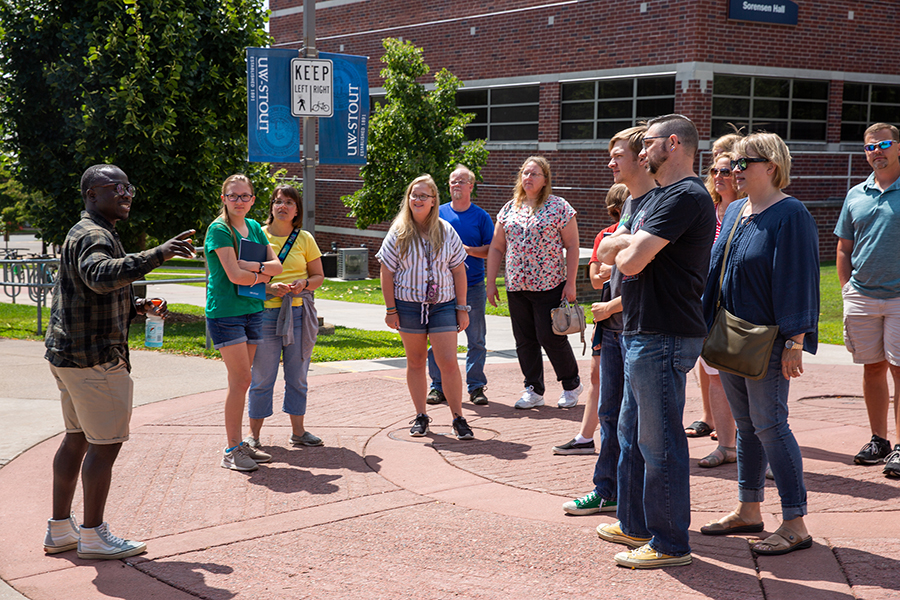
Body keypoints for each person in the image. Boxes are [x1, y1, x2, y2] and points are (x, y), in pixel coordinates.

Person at [43, 164, 195, 559]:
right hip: (95, 359)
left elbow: (91, 292)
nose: (127, 193)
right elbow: (97, 275)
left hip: (68, 355)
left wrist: (136, 306)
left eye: (130, 186)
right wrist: (158, 253)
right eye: (117, 187)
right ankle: (93, 535)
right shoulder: (94, 233)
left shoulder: (92, 230)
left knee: (77, 439)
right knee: (104, 446)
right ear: (92, 194)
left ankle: (60, 530)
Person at [595, 114, 715, 568]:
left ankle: (669, 543)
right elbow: (611, 248)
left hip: (664, 333)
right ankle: (635, 524)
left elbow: (627, 262)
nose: (641, 152)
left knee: (660, 441)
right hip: (643, 330)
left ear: (672, 144)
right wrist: (621, 244)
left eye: (646, 144)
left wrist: (622, 246)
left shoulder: (684, 196)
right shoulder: (658, 198)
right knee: (630, 434)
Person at [699, 133, 819, 557]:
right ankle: (749, 508)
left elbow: (799, 278)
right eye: (732, 163)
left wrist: (796, 340)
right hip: (730, 335)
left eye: (743, 162)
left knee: (771, 425)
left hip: (769, 340)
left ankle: (796, 521)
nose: (734, 170)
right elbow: (716, 272)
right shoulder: (734, 210)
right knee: (747, 425)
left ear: (770, 165)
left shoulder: (792, 214)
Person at [560, 126, 657, 518]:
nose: (610, 161)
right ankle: (609, 492)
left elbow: (646, 273)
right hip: (616, 333)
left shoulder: (659, 205)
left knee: (639, 426)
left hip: (641, 330)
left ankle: (641, 509)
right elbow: (606, 258)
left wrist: (613, 302)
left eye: (618, 154)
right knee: (610, 415)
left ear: (642, 157)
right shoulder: (632, 206)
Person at [377, 174, 475, 440]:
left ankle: (458, 418)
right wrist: (390, 309)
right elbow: (386, 272)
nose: (418, 200)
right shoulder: (398, 231)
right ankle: (421, 415)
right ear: (408, 199)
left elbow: (458, 271)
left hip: (443, 305)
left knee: (448, 362)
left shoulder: (446, 230)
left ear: (434, 201)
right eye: (414, 195)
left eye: (424, 196)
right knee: (416, 361)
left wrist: (462, 307)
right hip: (408, 306)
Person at [486, 156, 582, 409]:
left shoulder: (559, 207)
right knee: (524, 339)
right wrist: (491, 282)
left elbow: (572, 246)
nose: (528, 178)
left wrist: (570, 283)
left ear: (545, 180)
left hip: (549, 284)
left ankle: (571, 384)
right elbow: (497, 247)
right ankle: (533, 389)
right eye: (525, 173)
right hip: (517, 286)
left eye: (534, 174)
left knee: (550, 337)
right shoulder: (509, 209)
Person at [835, 123, 900, 478]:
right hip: (862, 295)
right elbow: (844, 246)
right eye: (870, 147)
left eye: (885, 144)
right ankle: (880, 440)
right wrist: (847, 288)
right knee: (872, 368)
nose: (877, 151)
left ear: (899, 147)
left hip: (899, 299)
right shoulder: (856, 194)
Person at [205, 174, 283, 472]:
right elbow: (233, 276)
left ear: (253, 199)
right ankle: (231, 450)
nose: (239, 201)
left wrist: (253, 267)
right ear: (223, 198)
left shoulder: (252, 227)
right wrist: (261, 275)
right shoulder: (219, 229)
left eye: (245, 196)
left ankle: (239, 445)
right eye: (233, 196)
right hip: (226, 312)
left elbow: (275, 267)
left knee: (242, 381)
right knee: (241, 380)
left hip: (252, 308)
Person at [246, 184, 324, 451]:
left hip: (298, 313)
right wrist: (269, 288)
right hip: (265, 314)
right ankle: (253, 436)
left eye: (289, 203)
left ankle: (298, 432)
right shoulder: (257, 236)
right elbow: (245, 278)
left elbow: (318, 277)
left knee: (298, 376)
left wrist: (305, 283)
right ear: (271, 207)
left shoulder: (305, 239)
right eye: (278, 202)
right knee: (262, 377)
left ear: (296, 210)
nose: (283, 207)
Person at [553, 183, 628, 456]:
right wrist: (618, 266)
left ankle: (626, 441)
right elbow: (596, 280)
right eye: (619, 208)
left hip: (631, 316)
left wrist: (615, 266)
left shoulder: (644, 233)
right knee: (597, 375)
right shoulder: (605, 236)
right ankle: (585, 437)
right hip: (606, 318)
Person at [686, 132, 743, 442]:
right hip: (703, 294)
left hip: (732, 298)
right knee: (705, 361)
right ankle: (713, 419)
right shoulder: (707, 206)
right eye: (714, 169)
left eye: (726, 168)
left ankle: (732, 433)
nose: (718, 174)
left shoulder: (747, 209)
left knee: (727, 368)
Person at [426, 165, 494, 407]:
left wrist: (466, 251)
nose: (456, 185)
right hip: (442, 288)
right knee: (437, 338)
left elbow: (492, 250)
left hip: (473, 286)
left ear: (471, 186)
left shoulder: (481, 217)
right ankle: (437, 386)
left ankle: (476, 387)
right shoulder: (438, 213)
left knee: (476, 339)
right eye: (453, 181)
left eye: (461, 181)